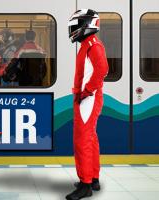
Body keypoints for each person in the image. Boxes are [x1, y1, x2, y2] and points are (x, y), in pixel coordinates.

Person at [66, 9, 109, 200]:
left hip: (87, 99)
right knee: (90, 139)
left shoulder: (93, 45)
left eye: (76, 25)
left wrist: (86, 92)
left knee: (82, 141)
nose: (73, 30)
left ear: (87, 25)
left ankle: (85, 186)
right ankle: (93, 178)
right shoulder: (88, 44)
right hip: (86, 98)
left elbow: (102, 70)